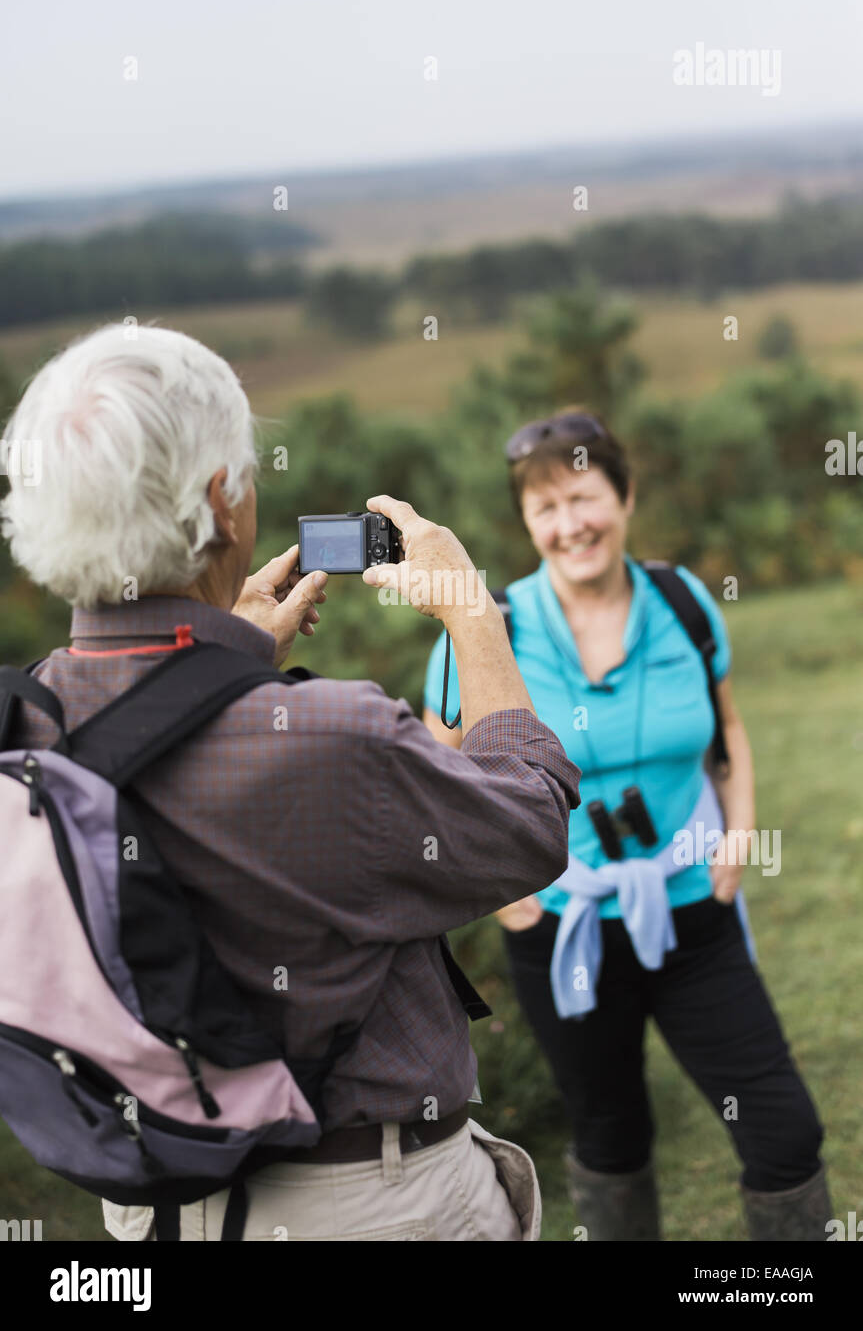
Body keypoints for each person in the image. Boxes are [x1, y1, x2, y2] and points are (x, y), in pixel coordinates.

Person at [0, 324, 582, 1241]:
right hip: (368, 1208)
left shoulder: (22, 722)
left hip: (153, 1207)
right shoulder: (332, 738)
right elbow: (530, 818)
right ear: (223, 500)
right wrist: (472, 613)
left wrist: (217, 665)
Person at [423, 408, 831, 1241]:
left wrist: (739, 833)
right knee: (611, 1137)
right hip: (562, 927)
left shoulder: (683, 603)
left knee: (783, 1131)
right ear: (527, 522)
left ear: (624, 495)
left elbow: (728, 732)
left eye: (583, 497)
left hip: (693, 915)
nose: (570, 525)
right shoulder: (485, 629)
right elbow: (433, 779)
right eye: (546, 509)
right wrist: (504, 899)